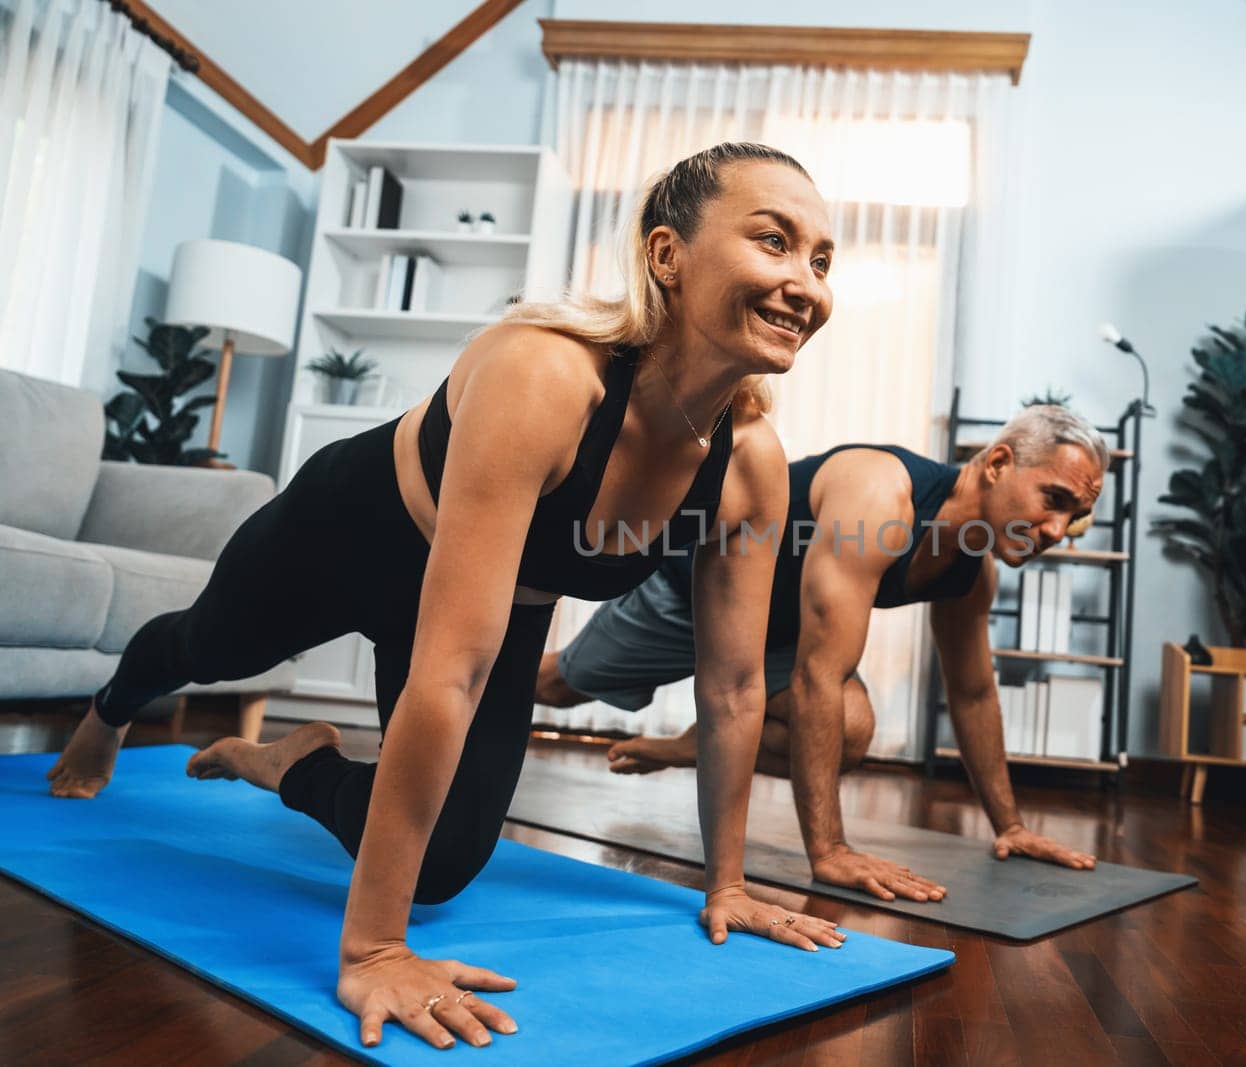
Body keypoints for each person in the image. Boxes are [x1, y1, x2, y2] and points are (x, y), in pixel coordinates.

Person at [44, 142, 846, 1052]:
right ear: (667, 255)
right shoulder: (544, 372)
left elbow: (735, 687)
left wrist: (727, 883)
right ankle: (108, 710)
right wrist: (374, 948)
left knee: (446, 862)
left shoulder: (749, 466)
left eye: (822, 260)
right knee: (205, 649)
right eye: (774, 242)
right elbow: (453, 667)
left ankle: (287, 760)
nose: (807, 285)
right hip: (348, 536)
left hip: (502, 605)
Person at [538, 406, 1107, 904]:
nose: (1058, 530)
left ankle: (693, 745)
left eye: (1074, 514)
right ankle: (487, 677)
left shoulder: (970, 570)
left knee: (853, 731)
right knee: (558, 687)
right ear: (998, 463)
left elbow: (974, 693)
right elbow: (818, 677)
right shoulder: (880, 495)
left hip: (782, 632)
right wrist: (829, 851)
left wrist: (1010, 826)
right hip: (698, 591)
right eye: (1053, 500)